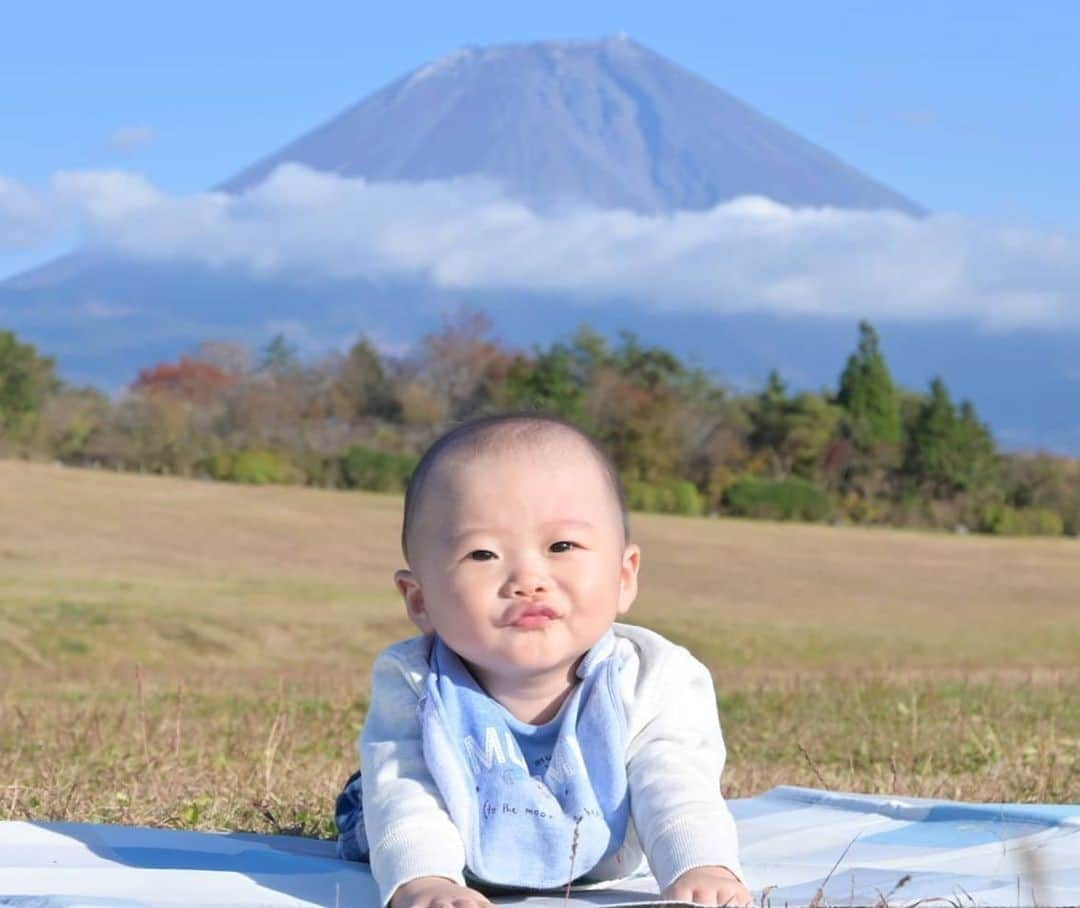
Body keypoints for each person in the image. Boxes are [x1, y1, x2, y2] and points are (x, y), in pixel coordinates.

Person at [336, 414, 751, 908]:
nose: (528, 579)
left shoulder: (653, 678)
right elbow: (406, 790)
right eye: (483, 554)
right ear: (420, 600)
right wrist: (424, 881)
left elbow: (676, 783)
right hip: (446, 833)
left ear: (624, 576)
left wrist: (701, 864)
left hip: (600, 850)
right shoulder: (418, 683)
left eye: (561, 546)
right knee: (378, 800)